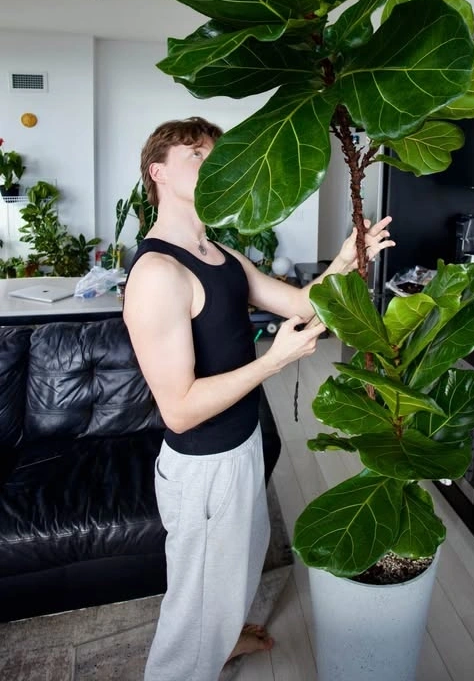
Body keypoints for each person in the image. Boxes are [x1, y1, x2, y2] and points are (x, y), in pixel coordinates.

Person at [124, 116, 394, 681]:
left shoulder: (220, 255)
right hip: (205, 467)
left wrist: (345, 259)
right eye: (196, 156)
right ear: (158, 173)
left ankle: (223, 641)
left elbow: (301, 304)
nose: (213, 164)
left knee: (237, 572)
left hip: (242, 443)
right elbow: (179, 409)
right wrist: (273, 360)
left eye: (216, 155)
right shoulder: (158, 273)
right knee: (193, 615)